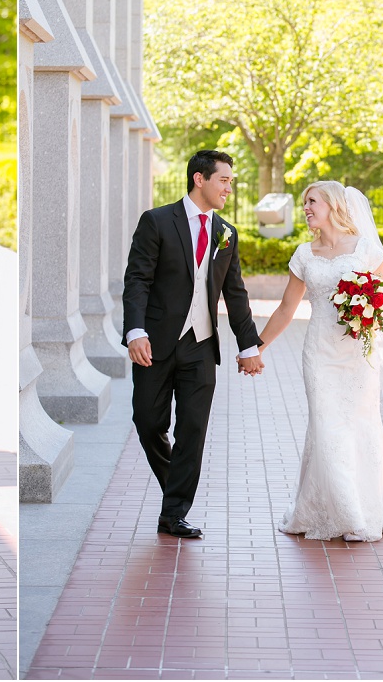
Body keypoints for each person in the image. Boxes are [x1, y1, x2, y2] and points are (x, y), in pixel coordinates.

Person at [258, 181, 383, 542]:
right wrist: (258, 347)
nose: (306, 209)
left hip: (358, 353)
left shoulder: (364, 248)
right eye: (304, 203)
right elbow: (287, 308)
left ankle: (364, 508)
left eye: (311, 202)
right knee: (325, 427)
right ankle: (341, 512)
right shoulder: (304, 253)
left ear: (332, 205)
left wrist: (365, 313)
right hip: (319, 353)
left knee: (359, 425)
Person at [121, 150, 264, 539]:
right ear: (199, 179)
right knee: (148, 422)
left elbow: (235, 294)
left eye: (231, 182)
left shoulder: (227, 232)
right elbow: (137, 280)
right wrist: (135, 331)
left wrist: (248, 346)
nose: (229, 189)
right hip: (155, 342)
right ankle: (176, 486)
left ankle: (174, 513)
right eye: (224, 180)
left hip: (201, 345)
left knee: (192, 431)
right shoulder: (156, 221)